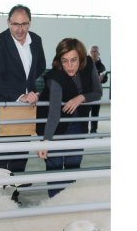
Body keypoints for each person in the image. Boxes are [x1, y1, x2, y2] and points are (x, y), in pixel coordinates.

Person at [36, 38, 102, 197]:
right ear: (60, 60)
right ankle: (54, 205)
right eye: (64, 61)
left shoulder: (88, 64)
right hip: (54, 125)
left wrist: (80, 98)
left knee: (73, 167)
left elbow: (97, 93)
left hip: (78, 123)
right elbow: (54, 113)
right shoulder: (55, 76)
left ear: (81, 57)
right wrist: (46, 141)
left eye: (73, 60)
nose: (69, 66)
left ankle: (69, 206)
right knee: (55, 168)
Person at [0, 4, 46, 175]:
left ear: (30, 23)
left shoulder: (36, 40)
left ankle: (14, 194)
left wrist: (30, 88)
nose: (20, 29)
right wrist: (21, 94)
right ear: (8, 22)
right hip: (6, 106)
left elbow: (40, 65)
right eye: (15, 24)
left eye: (24, 24)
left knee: (21, 153)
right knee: (2, 155)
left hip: (28, 107)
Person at [89, 45, 107, 133]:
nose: (94, 53)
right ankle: (83, 130)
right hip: (86, 93)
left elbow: (105, 79)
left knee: (95, 113)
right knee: (84, 112)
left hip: (96, 94)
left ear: (99, 53)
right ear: (89, 53)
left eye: (96, 51)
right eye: (92, 51)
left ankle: (93, 130)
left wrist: (102, 79)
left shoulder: (102, 66)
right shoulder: (86, 64)